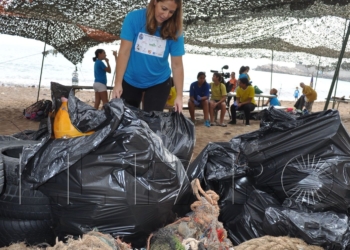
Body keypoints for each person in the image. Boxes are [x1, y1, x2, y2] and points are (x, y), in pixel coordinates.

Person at [112, 0, 185, 113]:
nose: (166, 15)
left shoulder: (176, 29)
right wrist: (117, 83)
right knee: (127, 122)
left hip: (159, 82)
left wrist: (179, 95)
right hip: (130, 79)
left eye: (171, 12)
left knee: (152, 123)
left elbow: (177, 65)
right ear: (155, 2)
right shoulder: (133, 18)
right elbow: (124, 52)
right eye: (164, 9)